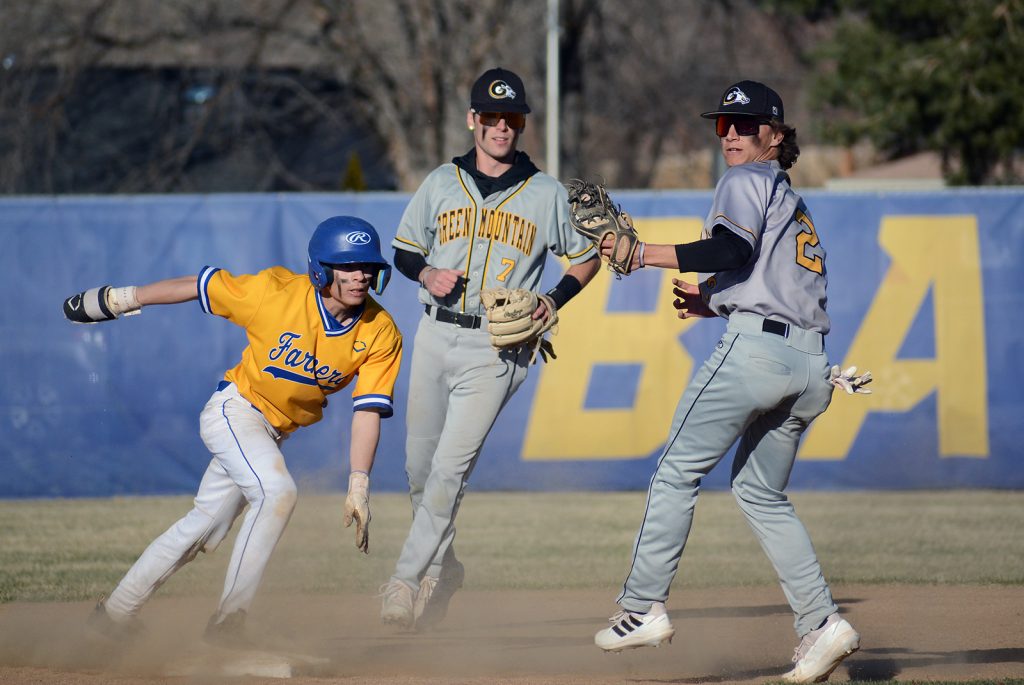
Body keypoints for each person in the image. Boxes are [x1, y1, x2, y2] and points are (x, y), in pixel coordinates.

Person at [591, 81, 861, 683]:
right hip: (812, 365)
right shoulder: (790, 198)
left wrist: (644, 254)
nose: (732, 136)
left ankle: (642, 608)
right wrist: (714, 303)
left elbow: (728, 247)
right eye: (723, 127)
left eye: (745, 126)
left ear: (777, 135)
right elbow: (770, 280)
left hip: (757, 358)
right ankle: (822, 625)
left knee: (675, 470)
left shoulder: (745, 182)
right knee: (761, 494)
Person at [64, 216, 403, 646]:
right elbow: (199, 285)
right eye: (348, 265)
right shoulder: (275, 293)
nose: (360, 276)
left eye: (367, 266)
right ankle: (230, 622)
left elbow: (367, 411)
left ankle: (113, 616)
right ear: (322, 268)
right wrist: (120, 299)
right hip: (234, 411)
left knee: (202, 527)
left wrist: (359, 483)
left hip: (271, 433)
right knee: (278, 492)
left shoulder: (380, 331)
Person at [381, 66, 600, 630]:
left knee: (450, 471)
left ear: (522, 123)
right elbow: (405, 250)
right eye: (493, 116)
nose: (503, 127)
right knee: (417, 470)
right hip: (435, 334)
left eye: (513, 118)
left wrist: (553, 300)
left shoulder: (546, 193)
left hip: (496, 349)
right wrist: (425, 272)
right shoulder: (439, 182)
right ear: (473, 120)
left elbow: (587, 256)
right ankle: (443, 568)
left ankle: (404, 581)